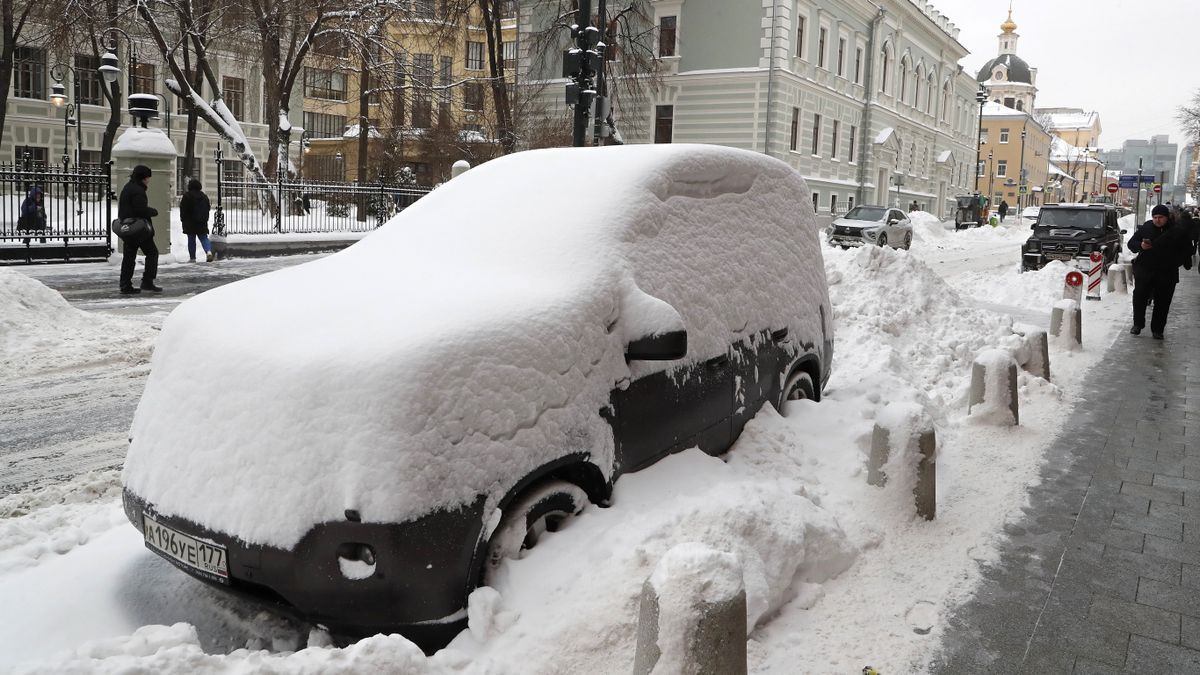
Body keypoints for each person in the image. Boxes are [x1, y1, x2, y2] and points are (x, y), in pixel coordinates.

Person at [1128, 204, 1191, 339]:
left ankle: (1157, 330)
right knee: (1139, 298)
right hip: (1145, 270)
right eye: (1155, 217)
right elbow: (1131, 243)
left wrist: (1175, 262)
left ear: (1167, 217)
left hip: (1167, 273)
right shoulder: (1146, 227)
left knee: (1163, 303)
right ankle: (1138, 324)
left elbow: (1187, 250)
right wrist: (1141, 245)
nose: (1157, 220)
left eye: (1160, 217)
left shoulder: (1177, 231)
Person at [117, 165, 161, 295]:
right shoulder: (138, 190)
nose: (149, 180)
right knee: (152, 253)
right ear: (143, 177)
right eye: (148, 177)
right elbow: (140, 210)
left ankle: (125, 284)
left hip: (128, 228)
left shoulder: (128, 187)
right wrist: (153, 211)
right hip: (139, 229)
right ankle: (147, 281)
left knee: (129, 257)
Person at [179, 178, 213, 262]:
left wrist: (183, 219)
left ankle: (192, 258)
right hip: (202, 221)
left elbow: (183, 208)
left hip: (190, 222)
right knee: (204, 238)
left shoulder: (187, 196)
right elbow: (208, 207)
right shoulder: (204, 196)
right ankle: (208, 251)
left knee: (191, 240)